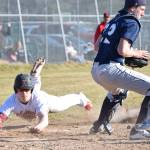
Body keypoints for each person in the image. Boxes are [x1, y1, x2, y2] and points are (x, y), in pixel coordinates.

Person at [89, 0, 150, 140]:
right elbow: (122, 50)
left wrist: (121, 54)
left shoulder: (114, 20)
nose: (143, 12)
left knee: (119, 92)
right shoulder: (132, 21)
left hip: (96, 69)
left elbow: (97, 46)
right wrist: (136, 53)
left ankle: (100, 124)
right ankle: (139, 130)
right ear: (133, 7)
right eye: (141, 9)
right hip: (110, 69)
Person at [0, 57, 93, 133]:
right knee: (34, 83)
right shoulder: (11, 100)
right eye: (21, 90)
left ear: (30, 90)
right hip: (32, 104)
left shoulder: (38, 97)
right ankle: (34, 74)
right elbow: (1, 116)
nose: (24, 93)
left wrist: (39, 126)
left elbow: (44, 119)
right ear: (16, 90)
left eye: (26, 90)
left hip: (47, 102)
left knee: (62, 104)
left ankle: (81, 98)